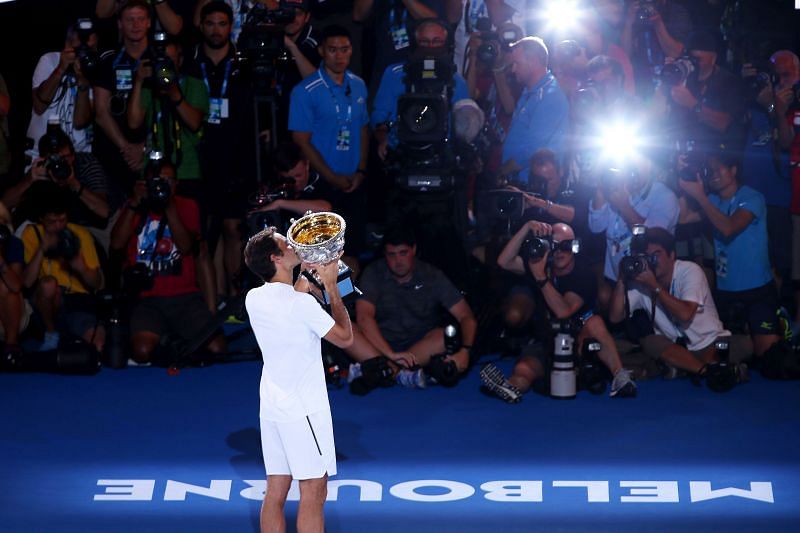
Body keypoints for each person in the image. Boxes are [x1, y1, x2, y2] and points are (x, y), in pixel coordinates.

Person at [243, 227, 353, 533]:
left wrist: (307, 273)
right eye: (285, 244)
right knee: (314, 492)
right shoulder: (300, 305)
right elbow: (345, 338)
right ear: (276, 258)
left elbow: (291, 299)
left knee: (276, 489)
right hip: (304, 410)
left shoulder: (254, 298)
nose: (294, 245)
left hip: (273, 408)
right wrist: (331, 287)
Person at [483, 220, 637, 402]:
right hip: (546, 341)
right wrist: (526, 228)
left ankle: (620, 377)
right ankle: (511, 387)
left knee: (595, 322)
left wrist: (540, 277)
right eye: (555, 245)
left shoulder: (583, 274)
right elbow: (504, 262)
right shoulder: (540, 265)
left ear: (575, 246)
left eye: (566, 245)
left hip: (577, 344)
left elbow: (563, 311)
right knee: (524, 369)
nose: (560, 252)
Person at [110, 161, 225, 365]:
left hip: (185, 298)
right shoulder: (135, 206)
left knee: (216, 349)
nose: (162, 185)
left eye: (168, 180)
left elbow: (185, 247)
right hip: (147, 299)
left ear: (176, 183)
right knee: (142, 351)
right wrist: (134, 203)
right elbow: (117, 244)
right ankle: (167, 338)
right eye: (157, 181)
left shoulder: (187, 206)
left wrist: (169, 207)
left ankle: (175, 336)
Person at [678, 148, 783, 358]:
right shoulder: (713, 200)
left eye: (719, 169)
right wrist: (684, 183)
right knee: (727, 352)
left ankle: (778, 327)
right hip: (726, 291)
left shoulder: (752, 197)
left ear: (733, 170)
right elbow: (683, 218)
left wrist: (701, 197)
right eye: (710, 170)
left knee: (768, 355)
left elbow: (728, 228)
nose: (714, 174)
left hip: (757, 289)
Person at [184, 0, 257, 302]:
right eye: (210, 23)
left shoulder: (243, 66)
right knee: (205, 234)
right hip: (198, 157)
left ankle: (237, 296)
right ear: (201, 26)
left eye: (222, 24)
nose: (216, 30)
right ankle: (213, 302)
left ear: (231, 27)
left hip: (235, 158)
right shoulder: (189, 64)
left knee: (232, 228)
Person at [609, 226, 752, 379]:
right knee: (650, 341)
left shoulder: (689, 271)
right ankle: (709, 371)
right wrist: (621, 281)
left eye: (656, 255)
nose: (651, 262)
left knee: (744, 344)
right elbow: (615, 317)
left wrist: (654, 287)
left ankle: (688, 368)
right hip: (675, 348)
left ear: (672, 255)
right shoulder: (641, 281)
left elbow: (685, 314)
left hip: (710, 342)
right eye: (646, 257)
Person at [353, 226, 477, 384]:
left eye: (403, 253)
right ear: (385, 255)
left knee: (443, 336)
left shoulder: (432, 275)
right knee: (346, 328)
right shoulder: (374, 272)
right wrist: (390, 354)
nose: (398, 261)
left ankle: (385, 371)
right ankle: (398, 373)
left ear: (414, 250)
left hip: (420, 347)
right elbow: (364, 317)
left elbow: (466, 316)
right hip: (379, 345)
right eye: (392, 255)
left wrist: (465, 350)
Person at [289, 24, 369, 261]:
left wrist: (362, 170)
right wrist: (331, 176)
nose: (339, 56)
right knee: (323, 255)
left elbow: (364, 128)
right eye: (333, 50)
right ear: (322, 51)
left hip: (354, 180)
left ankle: (349, 299)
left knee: (353, 249)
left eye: (344, 49)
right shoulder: (305, 91)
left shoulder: (358, 84)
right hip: (322, 183)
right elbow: (300, 141)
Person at [371, 17, 470, 161]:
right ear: (414, 44)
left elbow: (465, 121)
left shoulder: (457, 81)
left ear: (446, 45)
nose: (430, 47)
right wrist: (382, 139)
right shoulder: (394, 74)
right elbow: (379, 115)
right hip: (400, 150)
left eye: (437, 41)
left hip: (441, 154)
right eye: (424, 42)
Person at [21, 186, 104, 353]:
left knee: (98, 345)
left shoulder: (80, 235)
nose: (58, 226)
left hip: (78, 302)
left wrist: (80, 267)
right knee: (49, 285)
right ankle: (51, 334)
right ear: (42, 219)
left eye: (62, 220)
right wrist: (42, 249)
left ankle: (71, 340)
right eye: (52, 222)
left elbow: (98, 284)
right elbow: (27, 282)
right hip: (46, 306)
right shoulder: (31, 234)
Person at [588, 154, 680, 300]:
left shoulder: (664, 196)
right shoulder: (616, 189)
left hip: (647, 280)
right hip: (616, 278)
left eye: (636, 163)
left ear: (649, 165)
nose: (631, 169)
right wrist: (600, 188)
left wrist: (624, 206)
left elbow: (651, 238)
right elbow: (596, 227)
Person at [92, 0, 152, 199]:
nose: (135, 25)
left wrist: (144, 148)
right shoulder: (108, 59)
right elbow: (100, 112)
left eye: (140, 19)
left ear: (149, 23)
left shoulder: (160, 59)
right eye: (129, 20)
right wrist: (127, 149)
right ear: (119, 24)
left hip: (152, 155)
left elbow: (166, 110)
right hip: (114, 155)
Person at [4, 129, 110, 236]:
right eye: (54, 160)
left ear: (73, 156)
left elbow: (104, 211)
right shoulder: (41, 170)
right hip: (54, 225)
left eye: (64, 159)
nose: (58, 165)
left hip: (91, 225)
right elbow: (4, 204)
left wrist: (73, 183)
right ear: (43, 159)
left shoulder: (86, 164)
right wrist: (28, 181)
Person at [499, 36, 569, 184]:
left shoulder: (550, 96)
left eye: (517, 64)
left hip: (533, 187)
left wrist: (501, 173)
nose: (513, 69)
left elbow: (533, 151)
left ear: (533, 61)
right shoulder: (531, 92)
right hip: (519, 181)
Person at [27, 22, 97, 159]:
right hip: (40, 154)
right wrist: (61, 68)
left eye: (92, 48)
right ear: (68, 45)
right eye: (82, 48)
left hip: (78, 155)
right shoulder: (49, 60)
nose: (86, 54)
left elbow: (80, 122)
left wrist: (83, 81)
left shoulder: (93, 68)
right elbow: (39, 106)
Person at [0, 203, 28, 365]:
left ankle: (11, 346)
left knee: (5, 286)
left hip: (12, 314)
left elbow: (16, 286)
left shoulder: (14, 244)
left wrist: (1, 260)